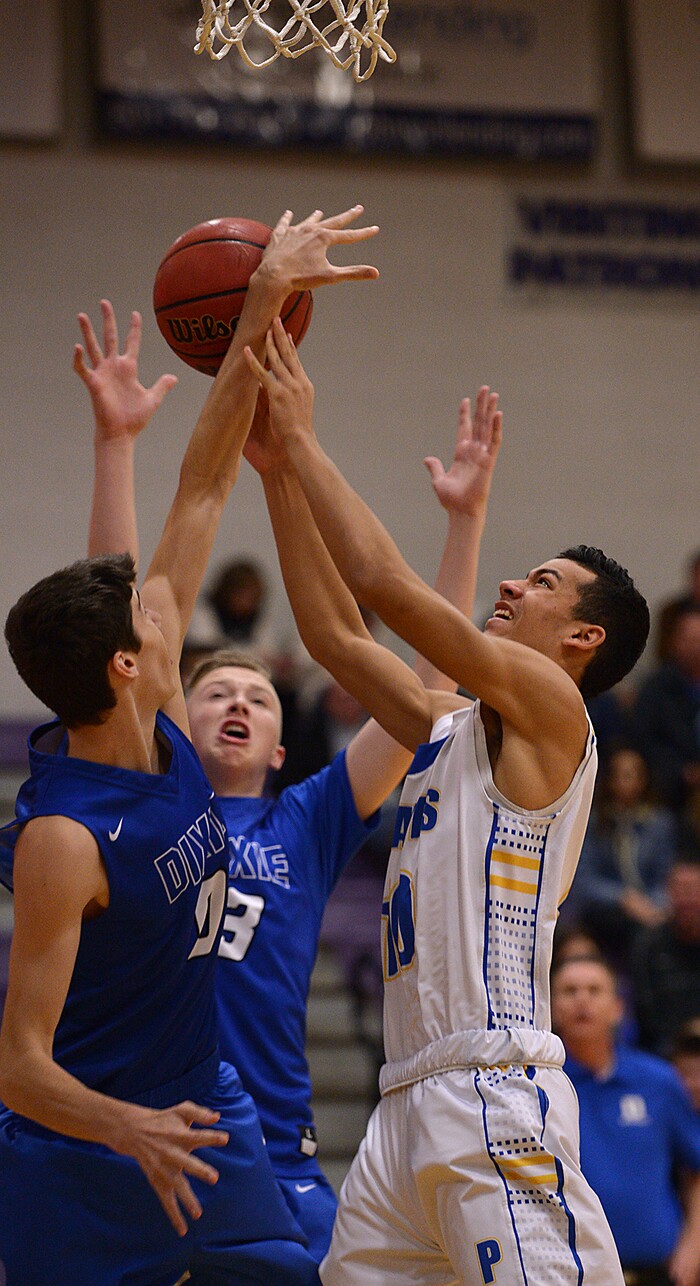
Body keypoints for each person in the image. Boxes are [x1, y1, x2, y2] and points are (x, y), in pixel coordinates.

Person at [0, 205, 380, 1286]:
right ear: (130, 664)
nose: (169, 603)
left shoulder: (159, 711)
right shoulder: (64, 839)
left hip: (207, 1115)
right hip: (83, 1150)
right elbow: (21, 1065)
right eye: (147, 618)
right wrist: (127, 1126)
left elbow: (204, 483)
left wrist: (260, 310)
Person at [82, 312, 505, 1267]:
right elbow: (123, 629)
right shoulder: (154, 793)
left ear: (282, 747)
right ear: (175, 725)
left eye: (257, 699)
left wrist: (464, 522)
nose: (236, 703)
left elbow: (427, 703)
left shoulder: (306, 818)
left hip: (273, 1145)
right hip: (137, 1133)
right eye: (214, 693)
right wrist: (116, 446)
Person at [243, 318, 651, 1284]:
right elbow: (341, 640)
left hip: (494, 1089)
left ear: (583, 638)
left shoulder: (556, 710)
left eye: (543, 582)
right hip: (404, 1105)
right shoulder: (450, 723)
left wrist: (304, 437)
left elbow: (382, 582)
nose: (514, 581)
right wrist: (276, 477)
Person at [551, 953, 700, 1286]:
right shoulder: (539, 1087)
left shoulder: (658, 1080)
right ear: (551, 1006)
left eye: (594, 989)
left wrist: (693, 1246)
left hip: (659, 1273)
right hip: (569, 1275)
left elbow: (696, 1165)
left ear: (618, 1007)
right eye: (570, 990)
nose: (582, 1000)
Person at [567, 742, 677, 963]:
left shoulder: (660, 823)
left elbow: (665, 876)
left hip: (652, 908)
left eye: (632, 774)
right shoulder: (592, 821)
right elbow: (585, 881)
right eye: (619, 774)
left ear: (644, 779)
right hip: (607, 909)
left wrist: (654, 906)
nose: (625, 781)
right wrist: (624, 898)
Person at [631, 847, 700, 1056]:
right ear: (667, 893)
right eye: (680, 889)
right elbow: (646, 1010)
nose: (686, 898)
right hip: (664, 1049)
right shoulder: (648, 943)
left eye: (693, 889)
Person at [633, 606, 700, 818]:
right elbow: (641, 741)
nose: (694, 647)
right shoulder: (655, 688)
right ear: (674, 641)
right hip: (669, 792)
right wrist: (682, 771)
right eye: (688, 639)